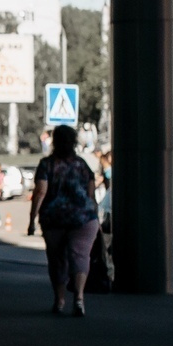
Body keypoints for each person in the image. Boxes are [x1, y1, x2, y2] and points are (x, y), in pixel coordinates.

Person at [30, 123, 102, 316]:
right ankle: (79, 298)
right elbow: (91, 194)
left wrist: (32, 219)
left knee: (57, 260)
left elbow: (40, 192)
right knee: (80, 256)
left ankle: (60, 300)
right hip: (84, 218)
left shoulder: (47, 164)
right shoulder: (82, 165)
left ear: (54, 142)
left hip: (54, 219)